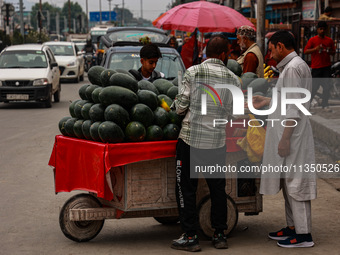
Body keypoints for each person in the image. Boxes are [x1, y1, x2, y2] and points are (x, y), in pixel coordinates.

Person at [171, 35, 241, 252]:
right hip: (217, 143)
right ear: (224, 55)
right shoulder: (233, 79)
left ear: (206, 53)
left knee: (186, 188)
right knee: (217, 188)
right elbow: (234, 114)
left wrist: (174, 106)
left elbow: (180, 107)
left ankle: (190, 236)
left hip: (190, 140)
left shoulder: (193, 72)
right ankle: (219, 234)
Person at [252, 31, 316, 248]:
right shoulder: (291, 67)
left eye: (271, 49)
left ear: (280, 46)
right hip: (289, 133)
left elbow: (294, 108)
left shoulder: (293, 68)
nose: (270, 54)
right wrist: (267, 100)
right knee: (289, 183)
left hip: (293, 135)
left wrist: (285, 139)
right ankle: (293, 228)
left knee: (296, 183)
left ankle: (304, 235)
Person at [304, 21, 335, 111]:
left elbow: (333, 52)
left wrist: (330, 51)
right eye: (320, 29)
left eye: (324, 29)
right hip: (316, 67)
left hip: (326, 67)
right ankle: (307, 105)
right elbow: (306, 51)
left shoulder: (329, 41)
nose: (322, 31)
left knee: (327, 87)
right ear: (317, 30)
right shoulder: (313, 40)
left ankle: (325, 104)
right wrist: (315, 49)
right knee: (314, 87)